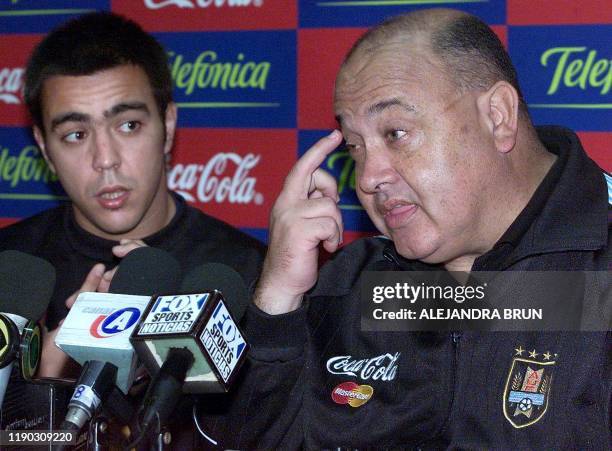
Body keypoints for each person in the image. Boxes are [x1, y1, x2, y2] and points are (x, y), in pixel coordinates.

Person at [191, 8, 610, 449]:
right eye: (355, 148)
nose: (369, 177)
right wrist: (277, 305)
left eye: (396, 133)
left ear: (498, 117)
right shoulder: (347, 286)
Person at [0, 12, 265, 378]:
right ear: (45, 148)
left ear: (168, 127)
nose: (105, 160)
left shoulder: (247, 275)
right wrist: (32, 388)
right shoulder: (8, 272)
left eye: (128, 126)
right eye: (76, 134)